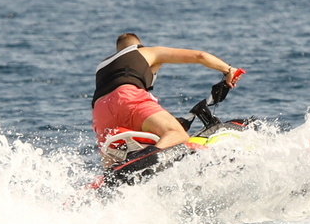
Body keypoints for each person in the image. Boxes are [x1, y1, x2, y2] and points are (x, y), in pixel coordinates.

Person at [92, 33, 242, 154]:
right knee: (177, 134)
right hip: (127, 97)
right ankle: (148, 156)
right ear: (139, 45)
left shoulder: (103, 66)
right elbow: (200, 56)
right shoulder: (146, 52)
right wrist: (228, 70)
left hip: (100, 112)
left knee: (114, 155)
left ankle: (108, 182)